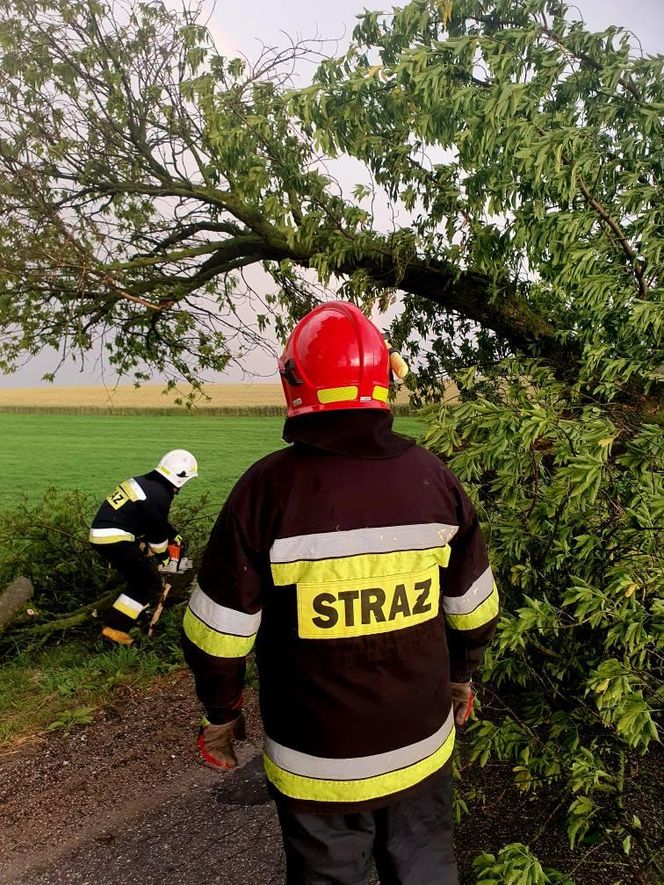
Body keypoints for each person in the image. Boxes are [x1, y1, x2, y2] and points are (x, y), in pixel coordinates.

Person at [182, 302, 498, 885]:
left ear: (294, 383)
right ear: (385, 380)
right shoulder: (434, 480)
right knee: (427, 869)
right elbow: (474, 612)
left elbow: (217, 638)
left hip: (315, 765)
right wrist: (462, 677)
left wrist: (222, 716)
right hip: (421, 747)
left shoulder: (265, 492)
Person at [90, 449, 198, 645]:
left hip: (105, 533)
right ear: (180, 478)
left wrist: (174, 536)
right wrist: (166, 558)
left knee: (139, 577)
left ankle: (134, 617)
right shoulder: (161, 495)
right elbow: (156, 536)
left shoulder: (147, 483)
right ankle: (114, 631)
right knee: (145, 582)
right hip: (114, 537)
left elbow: (153, 519)